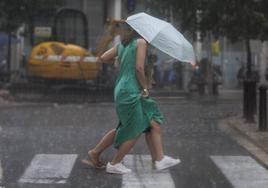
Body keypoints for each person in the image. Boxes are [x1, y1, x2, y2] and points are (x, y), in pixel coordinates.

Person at [82, 22, 180, 174]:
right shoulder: (141, 42)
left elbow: (102, 58)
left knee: (147, 122)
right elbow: (139, 68)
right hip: (131, 90)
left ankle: (158, 159)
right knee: (135, 128)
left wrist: (118, 61)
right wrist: (145, 87)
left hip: (122, 87)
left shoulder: (123, 45)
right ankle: (115, 163)